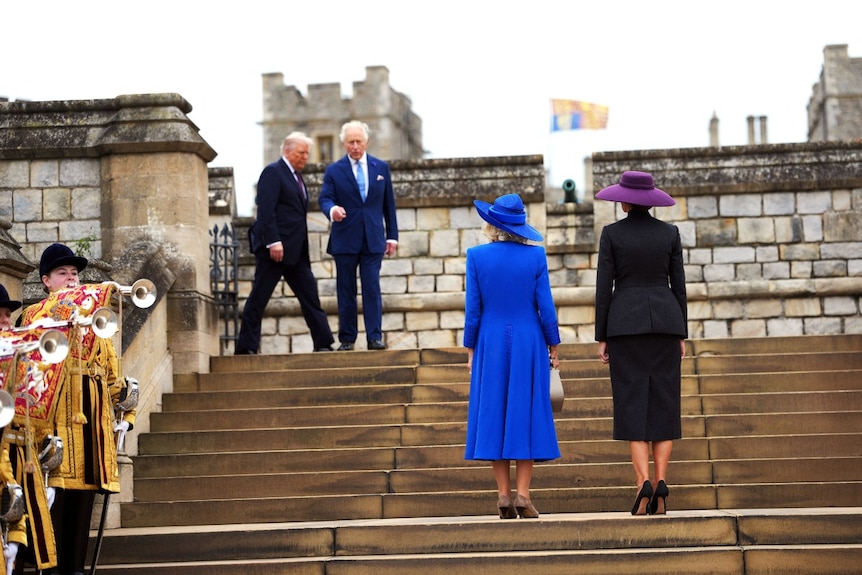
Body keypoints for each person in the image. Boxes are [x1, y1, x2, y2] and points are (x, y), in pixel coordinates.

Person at [17, 242, 137, 574]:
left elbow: (110, 370)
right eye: (62, 273)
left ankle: (75, 568)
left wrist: (125, 410)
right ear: (46, 281)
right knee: (55, 501)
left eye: (74, 274)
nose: (71, 279)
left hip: (91, 429)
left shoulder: (94, 317)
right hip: (55, 426)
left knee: (82, 507)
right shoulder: (34, 314)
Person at [594, 171, 688, 516]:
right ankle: (662, 483)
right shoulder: (669, 234)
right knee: (664, 404)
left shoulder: (612, 234)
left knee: (632, 405)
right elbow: (678, 286)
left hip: (624, 326)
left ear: (627, 200)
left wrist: (601, 335)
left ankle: (642, 485)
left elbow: (604, 289)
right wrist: (681, 332)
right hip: (665, 324)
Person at [463, 193, 561, 519]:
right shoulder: (535, 258)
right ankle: (523, 495)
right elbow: (545, 307)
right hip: (528, 340)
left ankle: (503, 495)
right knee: (525, 412)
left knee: (493, 412)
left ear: (492, 224)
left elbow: (473, 310)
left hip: (490, 340)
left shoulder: (476, 256)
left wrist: (470, 348)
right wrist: (554, 346)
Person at [236, 132, 335, 354]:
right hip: (275, 251)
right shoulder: (273, 172)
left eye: (307, 153)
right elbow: (266, 210)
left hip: (297, 252)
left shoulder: (297, 177)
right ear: (287, 151)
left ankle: (323, 343)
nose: (305, 157)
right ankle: (245, 348)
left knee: (310, 296)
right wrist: (273, 242)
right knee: (259, 299)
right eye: (301, 153)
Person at [319, 121, 398, 351]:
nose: (355, 146)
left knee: (372, 288)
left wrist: (392, 236)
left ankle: (375, 337)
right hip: (344, 239)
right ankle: (347, 339)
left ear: (366, 142)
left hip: (373, 238)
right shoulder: (334, 170)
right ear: (344, 144)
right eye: (350, 142)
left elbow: (388, 205)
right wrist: (332, 211)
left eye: (359, 141)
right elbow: (325, 199)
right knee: (346, 290)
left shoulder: (381, 168)